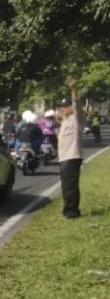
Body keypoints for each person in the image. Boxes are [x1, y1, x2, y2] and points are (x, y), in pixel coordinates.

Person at [58, 78, 85, 219]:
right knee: (66, 186)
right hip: (64, 158)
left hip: (72, 156)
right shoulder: (64, 121)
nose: (64, 108)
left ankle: (71, 212)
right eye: (62, 106)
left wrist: (73, 90)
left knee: (70, 186)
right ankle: (68, 210)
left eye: (66, 106)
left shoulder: (76, 118)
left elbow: (76, 103)